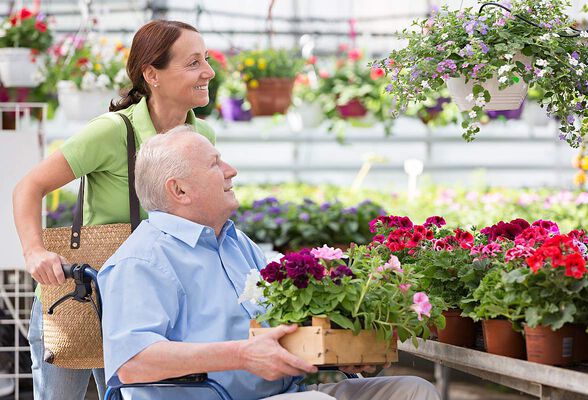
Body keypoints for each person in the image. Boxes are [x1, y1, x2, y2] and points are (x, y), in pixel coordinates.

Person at [98, 127, 440, 400]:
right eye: (215, 164)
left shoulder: (236, 243)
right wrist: (242, 355)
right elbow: (132, 363)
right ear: (180, 191)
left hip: (287, 392)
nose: (231, 170)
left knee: (413, 391)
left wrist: (336, 347)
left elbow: (281, 323)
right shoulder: (142, 260)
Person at [12, 20, 217, 400]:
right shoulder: (111, 131)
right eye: (193, 63)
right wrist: (34, 251)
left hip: (145, 302)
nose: (208, 71)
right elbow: (29, 186)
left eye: (206, 59)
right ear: (151, 74)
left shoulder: (201, 137)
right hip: (80, 298)